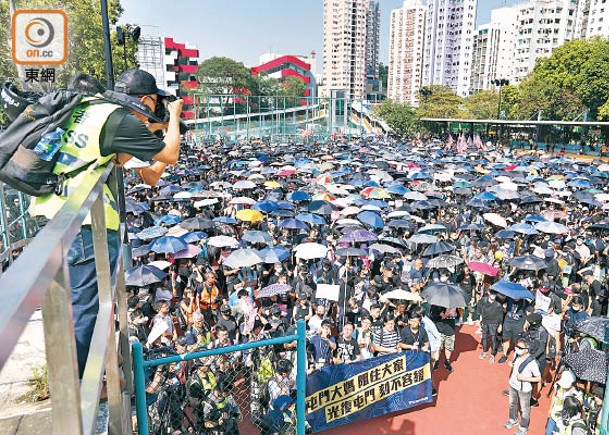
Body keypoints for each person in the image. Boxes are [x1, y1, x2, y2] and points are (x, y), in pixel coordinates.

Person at [29, 69, 183, 377]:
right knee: (86, 306)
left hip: (50, 209)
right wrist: (175, 116)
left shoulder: (90, 112)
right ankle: (81, 382)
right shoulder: (118, 119)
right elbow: (170, 154)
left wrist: (155, 127)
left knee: (70, 301)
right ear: (146, 100)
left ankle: (72, 374)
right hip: (82, 222)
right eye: (154, 105)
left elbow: (125, 162)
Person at [505, 338, 542, 435]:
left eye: (520, 347)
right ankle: (513, 419)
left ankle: (523, 427)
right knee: (512, 404)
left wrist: (525, 378)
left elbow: (538, 378)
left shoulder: (532, 363)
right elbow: (515, 365)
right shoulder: (517, 355)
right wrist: (512, 365)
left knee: (525, 409)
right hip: (513, 385)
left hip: (524, 389)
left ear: (527, 349)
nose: (517, 348)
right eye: (517, 346)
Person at [545, 370, 584, 435]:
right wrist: (550, 409)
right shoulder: (558, 385)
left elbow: (579, 406)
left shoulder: (577, 393)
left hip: (567, 419)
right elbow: (554, 396)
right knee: (548, 432)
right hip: (555, 414)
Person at [478, 290, 503, 363]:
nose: (493, 296)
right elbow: (480, 310)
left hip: (494, 323)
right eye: (492, 294)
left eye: (495, 294)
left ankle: (492, 355)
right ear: (489, 293)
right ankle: (485, 352)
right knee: (484, 337)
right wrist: (480, 320)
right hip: (485, 322)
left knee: (493, 339)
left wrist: (500, 325)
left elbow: (500, 315)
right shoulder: (483, 301)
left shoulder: (498, 304)